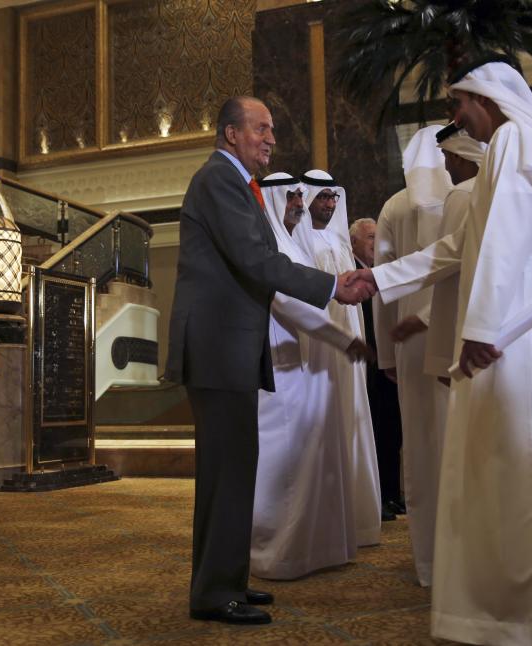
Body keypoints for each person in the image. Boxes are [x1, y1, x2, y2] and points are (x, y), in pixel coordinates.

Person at [363, 57, 532, 644]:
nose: (456, 118)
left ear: (486, 98)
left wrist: (482, 329)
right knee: (521, 477)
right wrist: (382, 280)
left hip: (513, 342)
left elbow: (507, 238)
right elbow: (462, 245)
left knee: (519, 479)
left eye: (457, 105)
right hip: (528, 341)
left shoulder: (515, 140)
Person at [165, 96, 371, 626]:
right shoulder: (217, 179)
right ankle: (213, 593)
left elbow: (264, 261)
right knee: (225, 473)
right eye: (261, 129)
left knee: (236, 470)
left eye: (272, 129)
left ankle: (228, 580)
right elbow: (258, 261)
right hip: (217, 349)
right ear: (231, 133)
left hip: (231, 348)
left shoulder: (238, 184)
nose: (271, 138)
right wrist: (331, 285)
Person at [251, 172, 365, 580]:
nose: (299, 204)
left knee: (309, 457)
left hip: (310, 366)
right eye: (293, 198)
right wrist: (341, 337)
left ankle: (314, 548)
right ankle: (276, 554)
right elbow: (287, 301)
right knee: (283, 460)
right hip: (282, 365)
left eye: (301, 197)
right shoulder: (269, 243)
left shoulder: (289, 241)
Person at [373, 125, 453, 587]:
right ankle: (463, 556)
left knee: (420, 449)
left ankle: (428, 560)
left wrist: (386, 350)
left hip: (408, 341)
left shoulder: (393, 206)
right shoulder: (466, 196)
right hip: (453, 335)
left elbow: (383, 285)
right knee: (457, 445)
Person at [299, 169, 383, 547]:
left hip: (350, 344)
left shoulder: (337, 240)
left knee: (354, 418)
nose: (330, 204)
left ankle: (359, 520)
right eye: (322, 198)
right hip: (319, 346)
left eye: (334, 197)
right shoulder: (299, 240)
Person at [350, 218, 404, 521]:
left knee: (392, 431)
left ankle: (393, 495)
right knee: (376, 430)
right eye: (370, 237)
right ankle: (379, 497)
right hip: (367, 363)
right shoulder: (352, 271)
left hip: (388, 361)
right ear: (355, 241)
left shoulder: (386, 271)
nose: (375, 242)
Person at [422, 125, 485, 382]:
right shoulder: (501, 185)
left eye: (447, 158)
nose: (446, 168)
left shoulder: (462, 194)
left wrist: (444, 356)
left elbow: (447, 271)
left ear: (457, 156)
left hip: (469, 334)